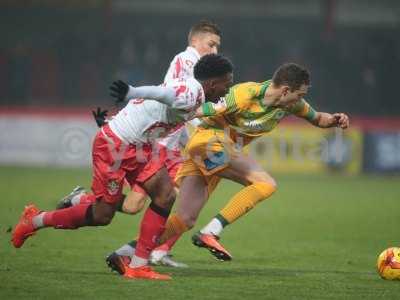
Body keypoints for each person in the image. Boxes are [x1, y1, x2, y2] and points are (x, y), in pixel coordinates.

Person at [11, 53, 234, 280]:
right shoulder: (190, 92)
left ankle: (138, 266)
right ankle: (35, 220)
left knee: (165, 194)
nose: (228, 89)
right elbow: (160, 93)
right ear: (213, 83)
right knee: (102, 215)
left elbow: (152, 110)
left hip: (139, 148)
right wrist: (132, 92)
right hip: (114, 146)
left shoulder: (196, 95)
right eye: (228, 83)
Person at [56, 20, 222, 268]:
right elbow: (170, 99)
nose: (215, 51)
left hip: (166, 139)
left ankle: (140, 247)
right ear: (195, 42)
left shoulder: (195, 69)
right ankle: (143, 253)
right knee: (168, 197)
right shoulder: (189, 63)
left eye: (218, 46)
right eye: (211, 44)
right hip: (161, 144)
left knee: (139, 204)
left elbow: (170, 108)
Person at [152, 62, 349, 261]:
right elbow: (204, 109)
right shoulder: (244, 94)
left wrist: (334, 119)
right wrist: (164, 116)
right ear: (286, 90)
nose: (301, 100)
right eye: (300, 94)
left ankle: (129, 253)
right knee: (265, 183)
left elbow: (318, 119)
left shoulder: (292, 105)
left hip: (217, 151)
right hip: (209, 142)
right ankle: (211, 231)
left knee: (185, 219)